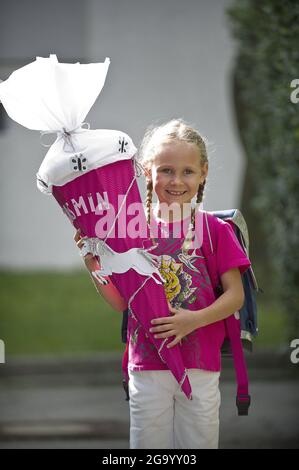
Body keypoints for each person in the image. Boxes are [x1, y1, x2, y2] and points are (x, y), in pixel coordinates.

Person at [74, 118, 251, 449]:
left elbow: (235, 296)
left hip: (200, 366)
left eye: (187, 171)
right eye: (166, 170)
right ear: (146, 170)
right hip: (146, 364)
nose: (176, 180)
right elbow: (121, 303)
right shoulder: (131, 233)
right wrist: (91, 261)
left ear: (203, 173)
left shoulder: (215, 230)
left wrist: (193, 320)